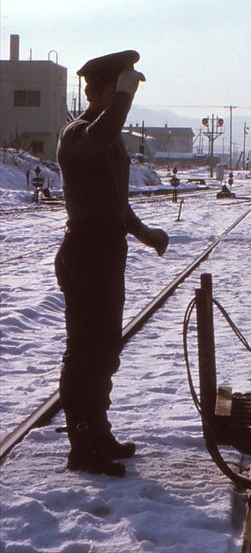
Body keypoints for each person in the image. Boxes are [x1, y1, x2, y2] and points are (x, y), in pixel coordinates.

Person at [55, 50, 170, 476]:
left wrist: (144, 234)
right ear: (99, 92)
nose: (127, 98)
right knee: (83, 354)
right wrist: (123, 99)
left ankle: (98, 432)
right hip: (84, 255)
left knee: (104, 351)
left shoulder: (109, 137)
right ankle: (81, 444)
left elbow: (115, 202)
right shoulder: (78, 134)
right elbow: (103, 134)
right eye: (120, 89)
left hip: (106, 254)